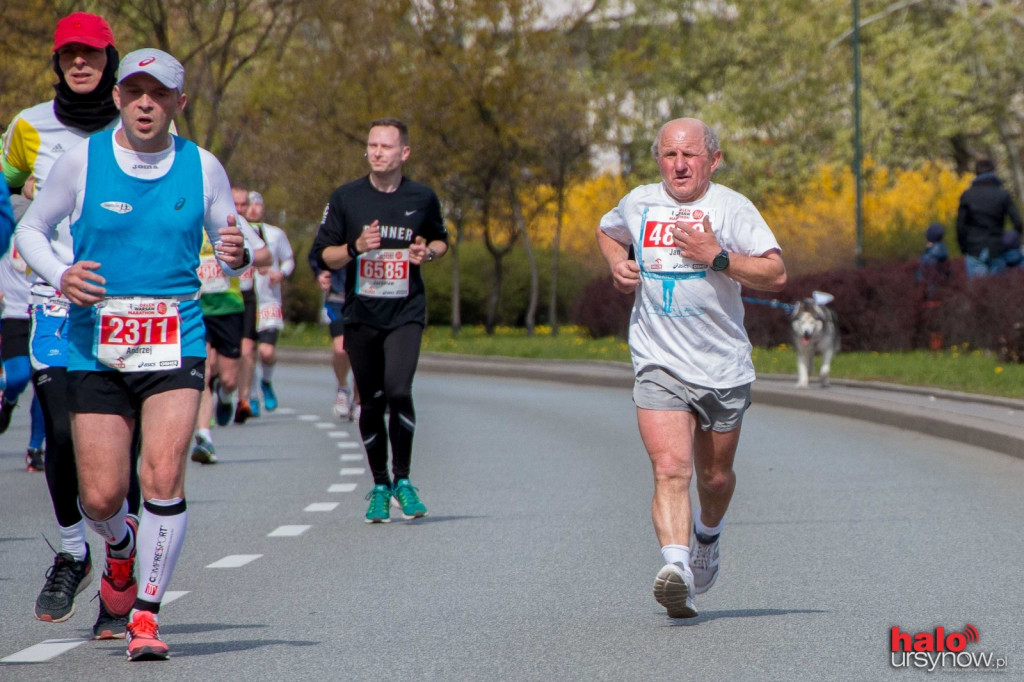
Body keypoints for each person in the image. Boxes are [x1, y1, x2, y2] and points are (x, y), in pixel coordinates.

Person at [16, 47, 259, 660]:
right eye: (136, 92)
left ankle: (146, 616)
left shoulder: (202, 166)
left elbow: (237, 238)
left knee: (161, 477)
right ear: (119, 98)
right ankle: (118, 553)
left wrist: (238, 253)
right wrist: (63, 273)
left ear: (179, 103)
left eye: (160, 94)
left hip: (177, 340)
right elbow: (29, 231)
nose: (146, 103)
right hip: (94, 342)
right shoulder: (82, 161)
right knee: (100, 499)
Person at [596, 117, 786, 619]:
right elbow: (608, 230)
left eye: (691, 156)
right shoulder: (639, 202)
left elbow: (776, 271)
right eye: (669, 155)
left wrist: (717, 257)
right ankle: (676, 569)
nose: (679, 165)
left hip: (722, 366)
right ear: (658, 158)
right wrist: (617, 264)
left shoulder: (731, 208)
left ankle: (707, 536)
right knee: (670, 468)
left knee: (715, 477)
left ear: (713, 160)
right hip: (658, 360)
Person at [2, 12, 145, 636]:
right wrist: (22, 197)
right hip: (55, 300)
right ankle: (71, 552)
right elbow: (6, 189)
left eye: (90, 54)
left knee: (118, 451)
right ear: (57, 63)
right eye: (68, 56)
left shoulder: (136, 122)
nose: (79, 64)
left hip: (128, 309)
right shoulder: (28, 126)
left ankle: (122, 573)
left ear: (108, 59)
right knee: (61, 432)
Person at [311, 118, 448, 523]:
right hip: (361, 315)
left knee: (399, 390)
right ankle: (381, 484)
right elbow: (324, 255)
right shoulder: (346, 198)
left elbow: (440, 238)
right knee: (370, 400)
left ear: (404, 152)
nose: (377, 152)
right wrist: (355, 247)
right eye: (372, 145)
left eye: (386, 146)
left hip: (405, 311)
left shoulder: (422, 197)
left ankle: (404, 481)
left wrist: (430, 254)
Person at [191, 186, 269, 460]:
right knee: (203, 368)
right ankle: (204, 437)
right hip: (196, 307)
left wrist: (241, 254)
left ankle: (225, 397)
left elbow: (265, 256)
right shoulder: (187, 218)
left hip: (228, 307)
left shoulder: (231, 220)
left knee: (229, 378)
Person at [240, 190, 294, 415]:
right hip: (245, 299)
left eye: (257, 204)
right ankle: (251, 396)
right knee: (248, 350)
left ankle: (267, 382)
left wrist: (280, 274)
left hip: (269, 299)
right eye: (248, 204)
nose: (253, 209)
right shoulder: (236, 231)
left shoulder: (275, 234)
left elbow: (288, 259)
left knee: (267, 351)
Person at [307, 249, 359, 420]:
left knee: (363, 352)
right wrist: (320, 273)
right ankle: (343, 388)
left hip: (365, 298)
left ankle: (359, 400)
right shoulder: (334, 225)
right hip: (337, 297)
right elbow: (316, 252)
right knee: (341, 349)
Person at [956, 158, 1022, 279]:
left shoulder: (967, 195)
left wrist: (963, 247)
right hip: (996, 248)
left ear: (976, 173)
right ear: (993, 172)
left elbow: (960, 225)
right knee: (995, 289)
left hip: (974, 249)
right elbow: (1017, 222)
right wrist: (1013, 240)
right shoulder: (1003, 195)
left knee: (977, 290)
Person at [916, 222, 950, 301]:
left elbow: (922, 275)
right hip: (943, 293)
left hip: (930, 294)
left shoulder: (930, 256)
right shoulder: (943, 251)